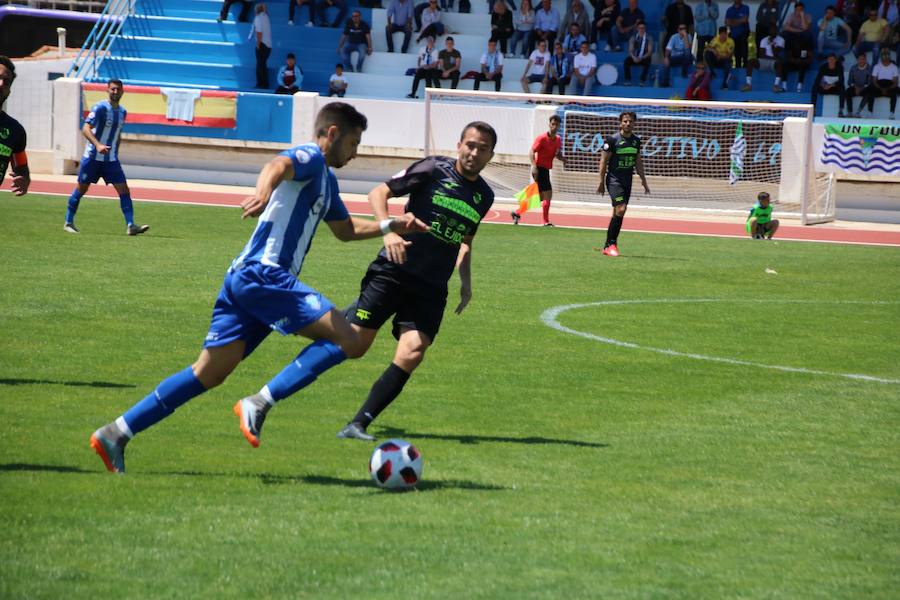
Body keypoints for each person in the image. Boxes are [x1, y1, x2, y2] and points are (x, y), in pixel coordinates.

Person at [88, 103, 429, 473]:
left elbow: (345, 230)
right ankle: (260, 402)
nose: (355, 152)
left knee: (208, 373)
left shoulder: (326, 181)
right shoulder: (311, 157)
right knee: (350, 339)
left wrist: (390, 226)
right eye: (353, 142)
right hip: (266, 275)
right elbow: (276, 166)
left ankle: (117, 431)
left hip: (245, 279)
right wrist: (264, 190)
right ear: (332, 134)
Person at [334, 122, 498, 441]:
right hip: (395, 270)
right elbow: (378, 192)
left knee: (413, 351)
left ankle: (358, 423)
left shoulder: (484, 196)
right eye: (470, 145)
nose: (474, 153)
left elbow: (465, 240)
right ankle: (330, 320)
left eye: (483, 148)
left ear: (491, 154)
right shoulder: (433, 168)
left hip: (432, 287)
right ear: (459, 144)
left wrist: (465, 281)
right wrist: (388, 230)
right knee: (355, 346)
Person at [64, 80, 148, 236]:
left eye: (118, 89)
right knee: (82, 189)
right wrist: (97, 145)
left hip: (111, 160)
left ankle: (131, 225)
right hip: (92, 158)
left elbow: (118, 134)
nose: (115, 92)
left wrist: (116, 152)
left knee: (124, 189)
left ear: (123, 91)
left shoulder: (123, 112)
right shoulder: (100, 108)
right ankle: (68, 222)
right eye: (113, 89)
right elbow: (85, 128)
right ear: (107, 90)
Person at [595, 110, 649, 257]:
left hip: (627, 181)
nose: (628, 123)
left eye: (630, 121)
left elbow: (638, 161)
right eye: (625, 121)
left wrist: (644, 181)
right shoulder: (612, 140)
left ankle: (608, 245)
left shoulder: (636, 141)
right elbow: (603, 161)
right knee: (621, 209)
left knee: (617, 212)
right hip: (614, 180)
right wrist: (601, 182)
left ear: (634, 123)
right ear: (620, 123)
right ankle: (612, 244)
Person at [511, 114, 565, 226]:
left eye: (557, 125)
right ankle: (545, 221)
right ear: (549, 124)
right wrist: (534, 166)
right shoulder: (542, 138)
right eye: (553, 124)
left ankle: (517, 212)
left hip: (545, 169)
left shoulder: (558, 140)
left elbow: (557, 154)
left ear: (559, 126)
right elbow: (531, 151)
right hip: (539, 169)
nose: (554, 126)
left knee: (539, 197)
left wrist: (563, 158)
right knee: (548, 195)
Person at [0, 56, 29, 197]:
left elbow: (22, 168)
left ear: (9, 91)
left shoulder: (15, 130)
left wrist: (24, 179)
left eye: (6, 82)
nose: (1, 84)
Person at [744, 26, 784, 92]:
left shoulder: (781, 40)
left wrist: (772, 45)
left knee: (779, 63)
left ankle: (776, 86)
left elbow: (776, 54)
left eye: (774, 30)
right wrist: (773, 58)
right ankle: (748, 84)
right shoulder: (764, 40)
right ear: (769, 32)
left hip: (774, 63)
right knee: (751, 61)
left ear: (777, 31)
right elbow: (761, 55)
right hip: (764, 61)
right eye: (771, 31)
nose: (772, 32)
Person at [865, 48, 898, 118]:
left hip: (890, 87)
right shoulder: (876, 66)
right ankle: (870, 112)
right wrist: (881, 89)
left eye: (887, 55)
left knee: (894, 94)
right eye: (883, 55)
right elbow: (874, 80)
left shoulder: (894, 67)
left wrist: (887, 89)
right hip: (878, 86)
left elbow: (895, 82)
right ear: (881, 56)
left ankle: (892, 113)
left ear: (889, 56)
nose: (885, 57)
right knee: (870, 91)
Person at [623, 21, 652, 86]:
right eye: (640, 28)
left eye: (643, 28)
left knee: (648, 61)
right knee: (626, 61)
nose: (641, 29)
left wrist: (641, 58)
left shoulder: (649, 38)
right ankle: (627, 80)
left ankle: (642, 80)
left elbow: (649, 52)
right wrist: (634, 57)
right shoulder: (633, 38)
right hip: (635, 57)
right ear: (637, 29)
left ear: (645, 29)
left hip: (644, 57)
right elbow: (630, 50)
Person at [250, 3, 272, 89]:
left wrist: (258, 44)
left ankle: (261, 84)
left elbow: (259, 32)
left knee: (260, 65)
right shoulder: (266, 17)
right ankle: (265, 83)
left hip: (262, 44)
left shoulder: (258, 18)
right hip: (268, 45)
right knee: (263, 64)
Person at [724, 0, 750, 69]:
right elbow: (726, 23)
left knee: (744, 53)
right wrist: (739, 21)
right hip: (733, 34)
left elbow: (745, 20)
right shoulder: (730, 9)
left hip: (743, 33)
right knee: (736, 54)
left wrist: (732, 21)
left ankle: (745, 69)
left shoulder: (745, 7)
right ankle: (737, 68)